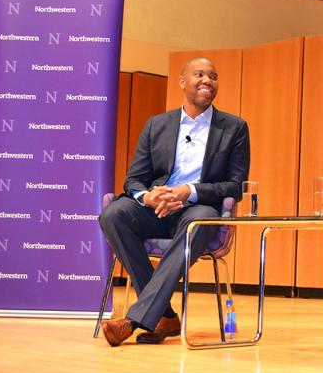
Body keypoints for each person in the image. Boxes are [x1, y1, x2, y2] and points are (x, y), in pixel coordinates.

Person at [98, 57, 250, 347]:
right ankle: (164, 316)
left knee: (198, 221)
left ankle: (134, 320)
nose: (208, 80)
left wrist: (188, 191)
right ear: (182, 82)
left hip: (197, 209)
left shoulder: (234, 128)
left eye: (214, 77)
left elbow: (234, 186)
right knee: (113, 214)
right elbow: (133, 180)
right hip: (155, 209)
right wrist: (148, 195)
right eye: (200, 74)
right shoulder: (157, 125)